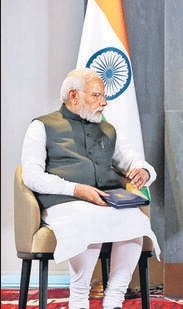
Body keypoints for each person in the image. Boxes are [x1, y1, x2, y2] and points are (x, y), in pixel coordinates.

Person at [20, 68, 161, 309]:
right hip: (63, 204)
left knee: (135, 220)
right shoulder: (41, 126)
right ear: (73, 96)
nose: (104, 102)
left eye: (103, 96)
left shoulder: (107, 130)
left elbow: (133, 160)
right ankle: (78, 300)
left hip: (106, 202)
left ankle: (114, 299)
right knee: (88, 218)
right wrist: (77, 190)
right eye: (96, 95)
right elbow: (31, 175)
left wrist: (143, 171)